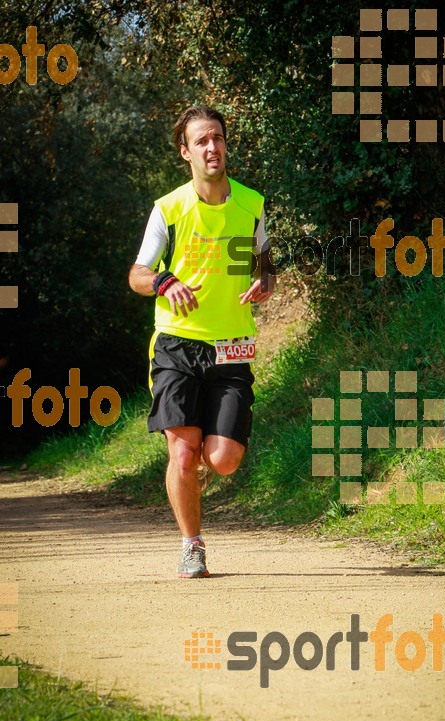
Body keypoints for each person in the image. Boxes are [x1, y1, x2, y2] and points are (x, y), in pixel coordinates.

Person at [128, 104, 275, 579]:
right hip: (176, 343)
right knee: (184, 454)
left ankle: (195, 470)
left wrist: (266, 280)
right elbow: (137, 274)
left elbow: (263, 261)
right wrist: (165, 282)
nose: (212, 147)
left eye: (218, 138)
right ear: (185, 152)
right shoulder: (168, 209)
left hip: (232, 344)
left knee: (224, 460)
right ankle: (192, 545)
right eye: (202, 141)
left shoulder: (251, 203)